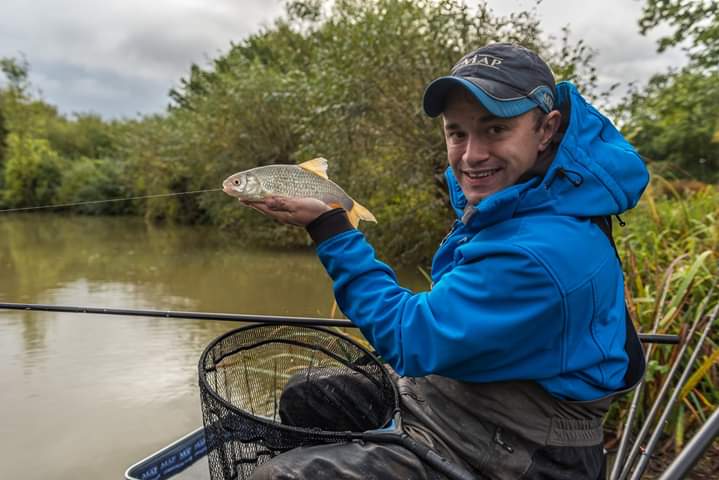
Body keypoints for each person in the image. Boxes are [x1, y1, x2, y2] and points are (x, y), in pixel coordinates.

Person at [244, 43, 648, 480]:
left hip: (522, 452)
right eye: (457, 133)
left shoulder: (541, 250)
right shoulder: (521, 201)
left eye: (495, 130)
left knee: (278, 478)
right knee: (308, 395)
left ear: (546, 129)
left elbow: (411, 337)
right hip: (455, 402)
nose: (471, 155)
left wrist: (330, 228)